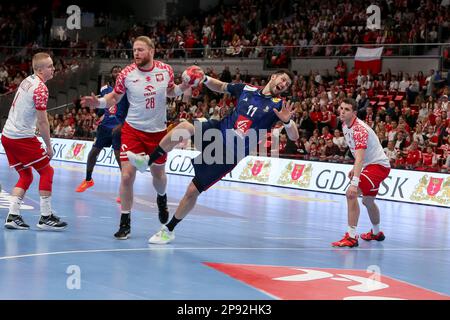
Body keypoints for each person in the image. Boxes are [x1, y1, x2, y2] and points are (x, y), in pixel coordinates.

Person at [127, 69, 299, 244]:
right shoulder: (247, 89)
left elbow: (294, 136)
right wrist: (205, 78)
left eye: (287, 84)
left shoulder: (279, 106)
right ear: (273, 77)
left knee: (193, 191)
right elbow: (222, 86)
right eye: (283, 79)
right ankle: (146, 161)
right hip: (218, 130)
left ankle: (169, 230)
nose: (284, 84)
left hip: (230, 153)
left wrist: (286, 121)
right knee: (185, 127)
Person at [80, 36, 193, 240]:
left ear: (151, 50)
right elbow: (114, 97)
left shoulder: (165, 70)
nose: (136, 53)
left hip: (158, 132)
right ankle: (125, 222)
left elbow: (170, 92)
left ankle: (161, 198)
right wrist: (97, 103)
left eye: (140, 50)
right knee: (126, 176)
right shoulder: (126, 74)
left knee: (158, 176)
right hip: (132, 130)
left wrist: (183, 88)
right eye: (134, 50)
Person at [1, 52, 67, 230]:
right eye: (50, 66)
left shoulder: (27, 80)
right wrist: (49, 146)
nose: (53, 68)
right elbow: (43, 121)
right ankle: (45, 217)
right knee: (47, 172)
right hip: (21, 137)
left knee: (26, 175)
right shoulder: (41, 89)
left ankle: (13, 216)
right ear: (39, 69)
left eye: (53, 65)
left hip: (7, 136)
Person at [332, 98, 390, 248]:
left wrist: (354, 183)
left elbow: (359, 158)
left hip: (378, 166)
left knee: (351, 194)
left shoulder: (359, 130)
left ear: (354, 113)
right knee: (367, 201)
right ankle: (376, 233)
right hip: (371, 165)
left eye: (347, 109)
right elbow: (358, 155)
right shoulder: (345, 125)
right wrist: (355, 169)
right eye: (341, 108)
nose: (342, 111)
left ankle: (351, 237)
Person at [75, 65, 129, 204]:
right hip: (105, 127)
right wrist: (100, 115)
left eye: (119, 71)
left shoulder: (127, 90)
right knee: (93, 153)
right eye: (114, 71)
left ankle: (125, 190)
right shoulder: (105, 89)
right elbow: (104, 104)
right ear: (111, 74)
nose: (117, 73)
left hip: (118, 126)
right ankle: (88, 180)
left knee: (119, 158)